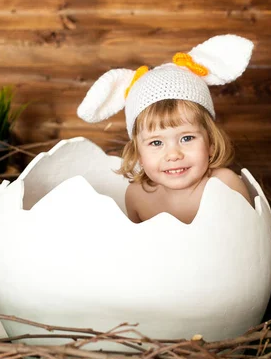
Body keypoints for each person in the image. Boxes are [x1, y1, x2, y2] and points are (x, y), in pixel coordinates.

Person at [77, 34, 255, 224]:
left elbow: (251, 242)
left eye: (186, 138)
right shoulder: (137, 196)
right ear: (138, 154)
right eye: (156, 142)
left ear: (211, 142)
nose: (173, 154)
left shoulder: (225, 185)